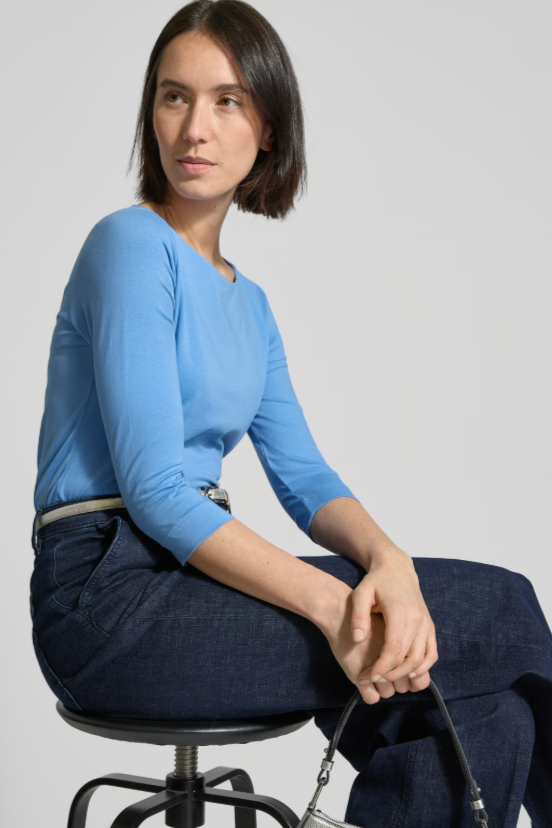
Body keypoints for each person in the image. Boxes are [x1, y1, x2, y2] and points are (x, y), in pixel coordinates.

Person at [29, 2, 552, 826]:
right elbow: (158, 492)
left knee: (491, 716)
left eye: (228, 101)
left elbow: (305, 477)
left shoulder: (252, 305)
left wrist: (389, 563)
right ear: (151, 112)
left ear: (268, 127)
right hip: (107, 602)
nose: (195, 128)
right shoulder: (129, 245)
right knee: (503, 607)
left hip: (192, 578)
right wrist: (336, 606)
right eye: (174, 97)